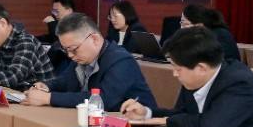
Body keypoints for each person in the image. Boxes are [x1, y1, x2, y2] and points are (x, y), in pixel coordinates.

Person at [121, 26, 253, 127]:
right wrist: (147, 113)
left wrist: (166, 121)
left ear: (201, 68)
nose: (175, 74)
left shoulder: (239, 83)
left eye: (178, 69)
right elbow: (183, 115)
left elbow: (210, 126)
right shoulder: (194, 78)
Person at [26, 11, 157, 112]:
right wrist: (46, 86)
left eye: (74, 49)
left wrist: (49, 98)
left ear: (94, 39)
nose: (70, 55)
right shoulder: (82, 57)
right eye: (66, 50)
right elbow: (65, 81)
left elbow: (104, 100)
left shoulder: (121, 61)